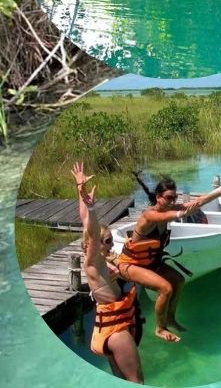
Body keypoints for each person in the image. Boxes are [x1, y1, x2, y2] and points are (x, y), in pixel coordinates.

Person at [114, 176, 221, 342]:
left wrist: (218, 192)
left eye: (175, 197)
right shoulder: (149, 215)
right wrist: (182, 212)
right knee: (166, 288)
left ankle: (170, 318)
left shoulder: (168, 210)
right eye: (169, 197)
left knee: (178, 280)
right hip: (131, 265)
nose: (172, 201)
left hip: (151, 263)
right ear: (158, 197)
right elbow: (168, 216)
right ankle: (160, 328)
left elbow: (197, 202)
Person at [72, 162, 144, 383]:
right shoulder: (93, 261)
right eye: (108, 242)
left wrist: (80, 190)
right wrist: (92, 208)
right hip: (116, 330)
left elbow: (86, 223)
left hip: (109, 326)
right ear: (93, 246)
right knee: (137, 382)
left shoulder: (100, 261)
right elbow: (92, 234)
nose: (111, 246)